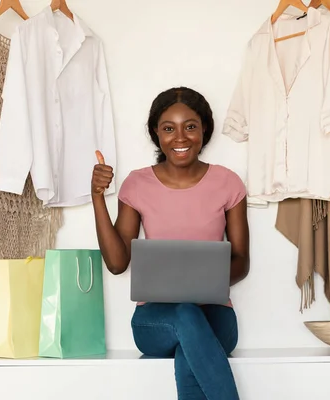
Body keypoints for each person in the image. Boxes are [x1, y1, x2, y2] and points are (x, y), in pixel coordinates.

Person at [91, 87, 250, 400]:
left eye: (190, 126)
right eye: (168, 128)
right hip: (155, 321)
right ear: (156, 133)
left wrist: (203, 283)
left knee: (188, 345)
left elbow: (242, 261)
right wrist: (97, 197)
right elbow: (116, 262)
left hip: (216, 317)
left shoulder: (228, 182)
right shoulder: (137, 184)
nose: (180, 138)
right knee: (185, 315)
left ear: (204, 128)